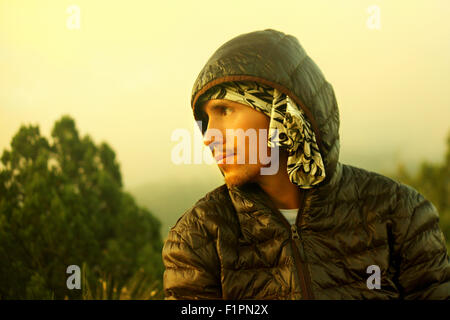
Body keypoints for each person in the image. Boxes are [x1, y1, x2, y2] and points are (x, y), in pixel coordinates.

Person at [162, 29, 450, 299]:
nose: (209, 137)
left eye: (225, 110)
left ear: (284, 112)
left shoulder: (400, 213)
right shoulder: (196, 238)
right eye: (206, 120)